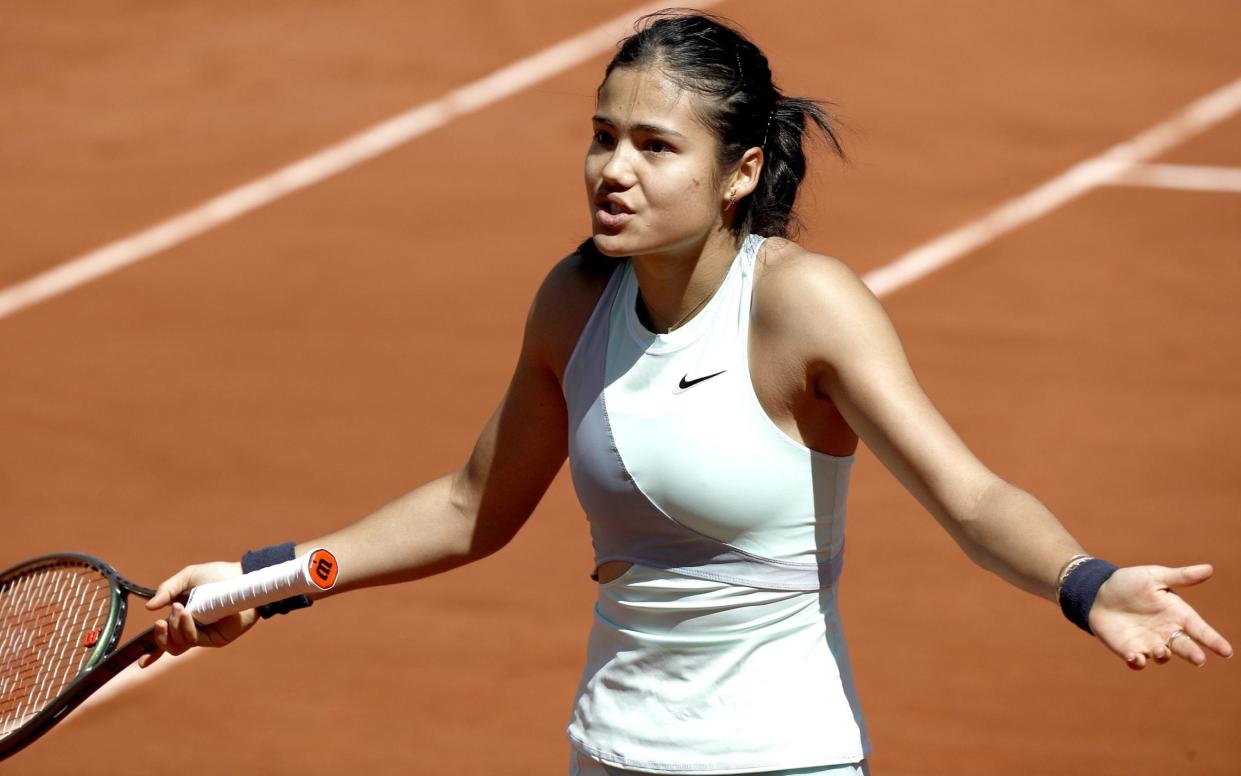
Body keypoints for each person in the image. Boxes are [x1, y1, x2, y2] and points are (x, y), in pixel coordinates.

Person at [141, 11, 1233, 775]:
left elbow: (971, 496)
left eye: (655, 146)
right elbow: (473, 504)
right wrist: (267, 579)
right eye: (602, 137)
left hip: (777, 756)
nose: (612, 169)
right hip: (610, 749)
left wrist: (1082, 581)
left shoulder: (803, 306)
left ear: (740, 172)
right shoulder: (575, 300)